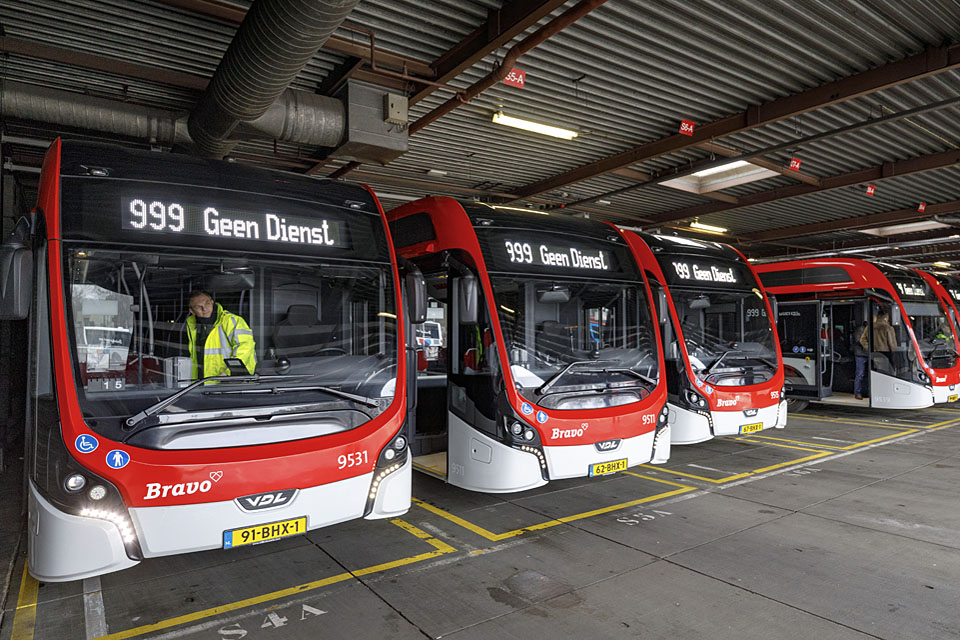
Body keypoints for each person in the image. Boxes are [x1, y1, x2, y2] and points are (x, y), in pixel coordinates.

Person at [186, 290, 256, 379]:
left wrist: (229, 373)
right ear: (192, 311)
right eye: (198, 307)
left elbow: (245, 348)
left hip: (227, 382)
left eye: (207, 303)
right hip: (201, 384)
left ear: (212, 302)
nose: (204, 309)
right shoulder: (192, 326)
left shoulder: (231, 321)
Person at [853, 321, 869, 400]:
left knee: (866, 374)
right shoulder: (860, 329)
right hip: (861, 354)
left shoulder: (870, 329)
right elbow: (858, 341)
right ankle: (857, 393)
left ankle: (865, 391)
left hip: (868, 354)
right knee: (860, 374)